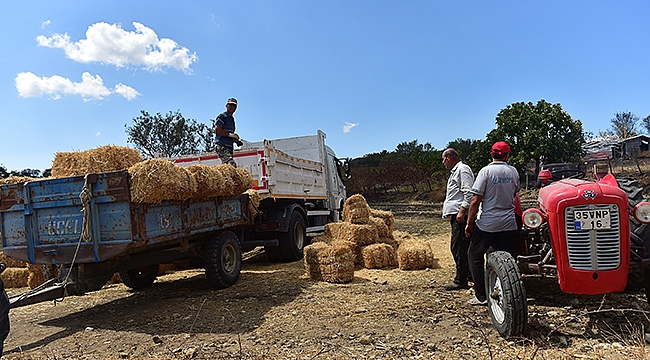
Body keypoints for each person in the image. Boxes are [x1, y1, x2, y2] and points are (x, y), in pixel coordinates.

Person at [464, 141, 520, 306]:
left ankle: (481, 296)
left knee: (474, 255)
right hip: (509, 223)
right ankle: (508, 293)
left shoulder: (486, 171)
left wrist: (469, 223)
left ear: (492, 154)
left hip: (488, 223)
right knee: (508, 260)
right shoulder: (513, 171)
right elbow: (515, 192)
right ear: (507, 155)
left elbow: (475, 200)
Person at [441, 148, 474, 291]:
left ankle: (461, 279)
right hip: (457, 214)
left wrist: (462, 211)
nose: (443, 162)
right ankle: (470, 275)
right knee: (463, 246)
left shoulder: (462, 170)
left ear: (449, 158)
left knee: (458, 247)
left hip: (461, 215)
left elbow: (469, 192)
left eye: (443, 159)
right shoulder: (457, 171)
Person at [214, 97, 242, 167]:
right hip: (222, 146)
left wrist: (235, 140)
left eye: (234, 105)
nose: (232, 107)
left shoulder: (232, 119)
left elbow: (227, 134)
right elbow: (217, 130)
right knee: (232, 165)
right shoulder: (222, 116)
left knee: (226, 168)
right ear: (226, 106)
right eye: (230, 105)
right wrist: (230, 135)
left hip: (229, 147)